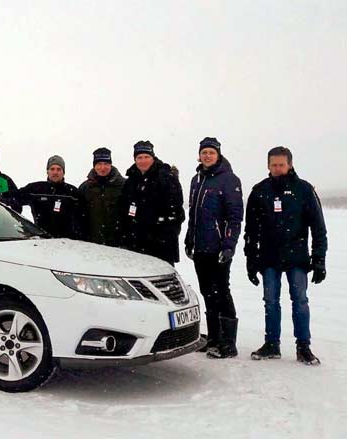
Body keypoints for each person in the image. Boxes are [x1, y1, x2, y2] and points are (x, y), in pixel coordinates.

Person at [244, 146, 327, 365]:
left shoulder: (304, 190)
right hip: (269, 257)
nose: (277, 168)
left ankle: (303, 346)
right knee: (270, 301)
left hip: (296, 257)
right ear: (268, 165)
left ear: (290, 164)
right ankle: (272, 343)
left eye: (281, 164)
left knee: (300, 301)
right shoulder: (259, 191)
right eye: (274, 165)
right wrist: (251, 261)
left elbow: (319, 228)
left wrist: (319, 260)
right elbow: (251, 231)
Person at [184, 137, 244, 358]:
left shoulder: (229, 179)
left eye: (211, 152)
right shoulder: (196, 179)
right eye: (204, 152)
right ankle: (214, 337)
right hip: (201, 247)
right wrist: (190, 239)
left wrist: (229, 245)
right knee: (208, 292)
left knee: (221, 291)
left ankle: (228, 343)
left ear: (218, 155)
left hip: (219, 247)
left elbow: (235, 217)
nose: (207, 156)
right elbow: (194, 215)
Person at [119, 140, 185, 265]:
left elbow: (176, 213)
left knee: (162, 281)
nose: (143, 160)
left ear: (153, 157)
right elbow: (124, 209)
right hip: (136, 244)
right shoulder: (131, 180)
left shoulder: (166, 177)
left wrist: (164, 236)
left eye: (146, 157)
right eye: (139, 157)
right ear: (135, 159)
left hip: (161, 245)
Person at [13, 155, 80, 238]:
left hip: (68, 243)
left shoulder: (72, 192)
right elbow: (13, 197)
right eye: (52, 169)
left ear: (63, 172)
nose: (55, 172)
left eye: (59, 169)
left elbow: (83, 218)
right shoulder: (35, 189)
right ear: (47, 171)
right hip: (42, 241)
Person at [77, 147, 126, 246]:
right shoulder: (84, 188)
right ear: (94, 166)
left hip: (119, 244)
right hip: (93, 244)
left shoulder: (125, 186)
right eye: (99, 164)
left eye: (106, 164)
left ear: (111, 165)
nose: (102, 168)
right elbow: (79, 217)